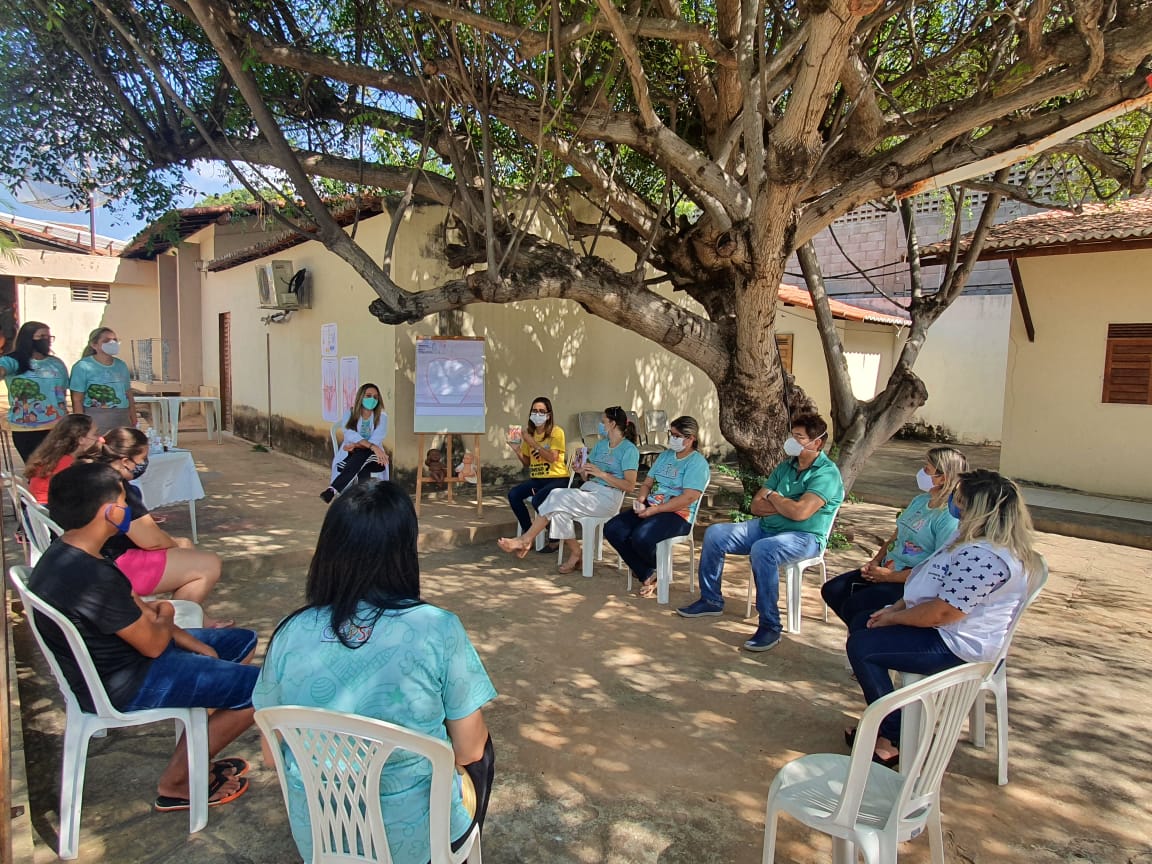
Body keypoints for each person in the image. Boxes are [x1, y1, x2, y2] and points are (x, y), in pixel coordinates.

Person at [253, 481, 497, 864]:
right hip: (417, 842)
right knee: (482, 747)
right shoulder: (439, 629)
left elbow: (272, 755)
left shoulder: (288, 633)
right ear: (404, 551)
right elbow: (468, 749)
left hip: (320, 836)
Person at [29, 463, 258, 811]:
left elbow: (140, 610)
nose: (129, 510)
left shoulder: (75, 553)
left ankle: (200, 740)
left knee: (240, 641)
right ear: (110, 512)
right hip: (126, 681)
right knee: (263, 687)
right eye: (125, 501)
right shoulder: (91, 577)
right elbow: (152, 641)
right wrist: (165, 612)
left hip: (126, 659)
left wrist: (198, 646)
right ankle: (179, 781)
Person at [845, 469, 1041, 766]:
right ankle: (893, 719)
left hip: (959, 644)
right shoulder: (967, 537)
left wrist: (896, 619)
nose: (953, 503)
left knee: (863, 646)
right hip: (943, 627)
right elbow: (929, 582)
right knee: (864, 620)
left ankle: (894, 732)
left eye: (959, 499)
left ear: (976, 509)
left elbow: (944, 612)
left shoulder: (986, 557)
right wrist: (896, 608)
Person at [677, 413, 844, 652]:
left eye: (799, 437)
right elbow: (755, 505)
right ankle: (711, 599)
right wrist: (785, 505)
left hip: (805, 537)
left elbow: (800, 514)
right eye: (792, 435)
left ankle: (770, 625)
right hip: (766, 527)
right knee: (715, 533)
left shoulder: (826, 473)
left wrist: (774, 497)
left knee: (764, 550)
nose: (792, 441)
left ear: (816, 442)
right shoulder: (786, 466)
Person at [78, 427, 229, 626]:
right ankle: (172, 626)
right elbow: (152, 542)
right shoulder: (118, 489)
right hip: (112, 564)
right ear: (125, 461)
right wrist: (173, 543)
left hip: (90, 557)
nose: (144, 464)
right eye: (143, 458)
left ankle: (195, 618)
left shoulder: (86, 474)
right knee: (209, 564)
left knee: (185, 548)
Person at [821, 446, 967, 626]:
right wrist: (874, 562)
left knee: (856, 606)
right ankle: (863, 632)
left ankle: (866, 635)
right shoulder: (920, 501)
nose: (922, 472)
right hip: (885, 568)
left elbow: (935, 567)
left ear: (942, 477)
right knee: (833, 590)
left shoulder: (947, 517)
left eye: (927, 469)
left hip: (907, 580)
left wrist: (889, 576)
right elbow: (895, 537)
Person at [498, 406, 639, 573]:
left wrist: (602, 474)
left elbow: (630, 486)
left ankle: (525, 539)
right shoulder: (601, 445)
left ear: (613, 424)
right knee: (558, 510)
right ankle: (576, 552)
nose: (600, 425)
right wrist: (582, 471)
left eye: (603, 422)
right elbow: (588, 476)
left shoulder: (629, 450)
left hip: (608, 497)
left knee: (557, 496)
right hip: (588, 491)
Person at [605, 415, 710, 598]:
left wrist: (656, 510)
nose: (672, 438)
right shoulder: (665, 456)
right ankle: (648, 572)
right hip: (652, 504)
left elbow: (689, 497)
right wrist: (641, 500)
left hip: (678, 514)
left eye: (676, 435)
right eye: (671, 434)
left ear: (691, 438)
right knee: (613, 528)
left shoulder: (697, 463)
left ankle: (654, 571)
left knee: (641, 537)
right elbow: (647, 483)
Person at [0, 321, 72, 461]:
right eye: (41, 336)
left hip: (57, 426)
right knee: (36, 472)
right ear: (28, 338)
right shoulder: (13, 360)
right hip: (26, 429)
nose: (47, 340)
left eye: (49, 337)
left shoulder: (56, 363)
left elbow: (62, 392)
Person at [506, 396, 569, 550]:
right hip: (538, 479)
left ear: (548, 415)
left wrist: (532, 443)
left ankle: (554, 538)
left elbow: (552, 458)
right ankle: (528, 534)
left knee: (538, 500)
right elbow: (527, 463)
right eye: (534, 411)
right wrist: (517, 449)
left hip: (558, 478)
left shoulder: (556, 432)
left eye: (541, 411)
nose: (537, 414)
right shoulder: (529, 433)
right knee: (514, 494)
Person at [320, 382, 389, 503]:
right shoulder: (350, 414)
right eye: (368, 395)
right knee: (362, 463)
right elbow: (350, 434)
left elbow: (376, 438)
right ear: (361, 397)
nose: (372, 399)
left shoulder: (382, 417)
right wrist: (371, 446)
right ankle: (364, 499)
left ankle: (333, 489)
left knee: (362, 456)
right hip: (357, 455)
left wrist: (357, 445)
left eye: (375, 397)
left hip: (376, 459)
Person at [24, 413, 103, 503]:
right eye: (95, 434)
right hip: (49, 509)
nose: (100, 438)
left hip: (36, 510)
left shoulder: (52, 455)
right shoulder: (68, 465)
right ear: (81, 440)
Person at [69, 327, 136, 432]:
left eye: (115, 340)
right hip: (96, 417)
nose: (112, 343)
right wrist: (81, 424)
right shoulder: (83, 366)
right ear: (94, 345)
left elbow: (128, 394)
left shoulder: (121, 365)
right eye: (106, 341)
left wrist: (133, 416)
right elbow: (77, 399)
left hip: (121, 416)